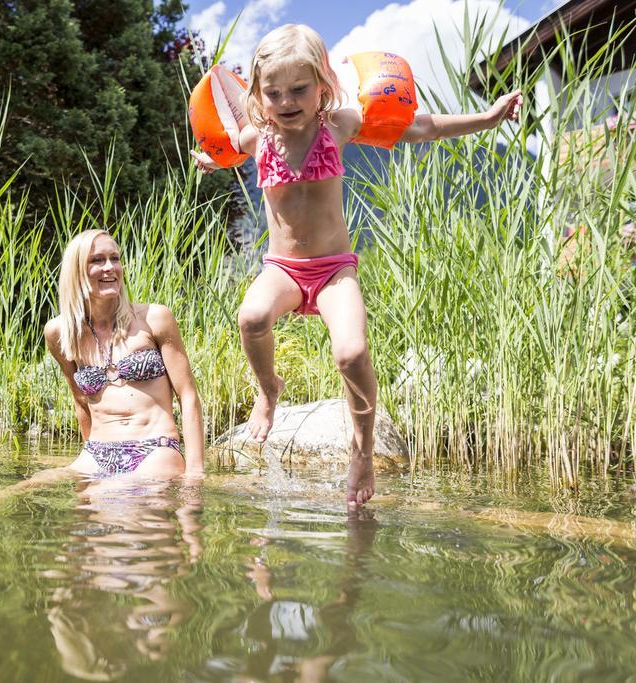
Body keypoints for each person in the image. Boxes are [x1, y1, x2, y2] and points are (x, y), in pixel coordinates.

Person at [190, 24, 522, 508]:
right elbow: (229, 152)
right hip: (282, 267)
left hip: (333, 269)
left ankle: (362, 450)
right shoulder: (256, 136)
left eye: (299, 89)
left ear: (322, 85)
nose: (287, 101)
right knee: (251, 317)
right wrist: (211, 161)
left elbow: (420, 127)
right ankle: (269, 390)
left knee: (350, 353)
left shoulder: (338, 125)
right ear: (258, 94)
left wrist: (486, 120)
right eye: (274, 91)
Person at [44, 228, 205, 478]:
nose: (110, 267)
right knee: (24, 489)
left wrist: (195, 473)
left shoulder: (154, 318)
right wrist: (91, 463)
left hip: (154, 449)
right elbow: (80, 401)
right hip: (97, 452)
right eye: (98, 260)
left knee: (124, 498)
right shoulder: (60, 332)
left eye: (115, 258)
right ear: (76, 271)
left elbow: (188, 394)